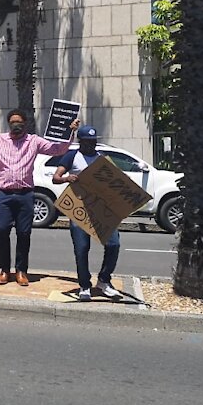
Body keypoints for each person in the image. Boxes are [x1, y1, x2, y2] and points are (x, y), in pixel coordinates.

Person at [0, 108, 79, 286]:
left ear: (25, 123)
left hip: (25, 195)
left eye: (20, 122)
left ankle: (21, 271)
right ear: (9, 124)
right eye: (13, 122)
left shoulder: (34, 141)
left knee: (24, 233)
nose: (16, 125)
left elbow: (59, 149)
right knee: (1, 231)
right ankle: (4, 270)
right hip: (4, 195)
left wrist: (71, 131)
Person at [52, 125, 123, 301]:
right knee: (82, 249)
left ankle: (104, 281)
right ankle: (84, 285)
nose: (92, 145)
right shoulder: (71, 156)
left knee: (113, 244)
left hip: (101, 210)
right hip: (80, 209)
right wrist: (68, 178)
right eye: (88, 142)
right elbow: (56, 177)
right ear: (80, 141)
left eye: (94, 141)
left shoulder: (102, 159)